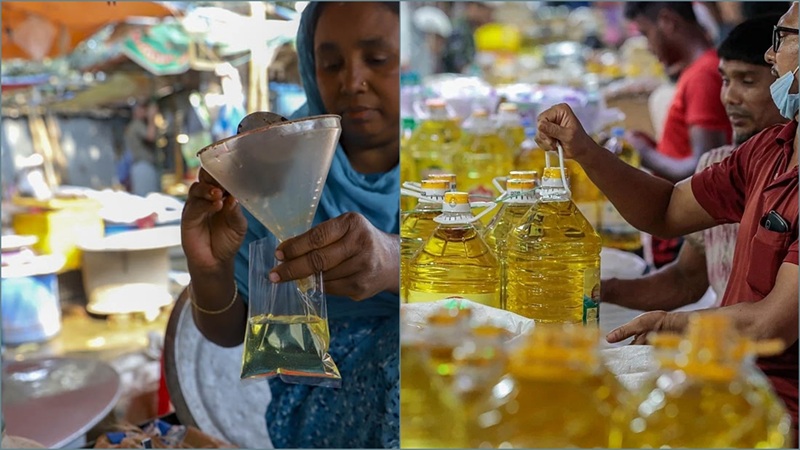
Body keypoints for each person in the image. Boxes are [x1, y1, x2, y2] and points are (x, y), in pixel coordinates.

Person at [535, 1, 798, 439]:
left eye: (783, 38)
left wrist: (671, 323)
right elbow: (666, 210)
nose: (772, 55)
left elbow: (769, 323)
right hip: (732, 379)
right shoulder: (770, 149)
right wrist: (585, 150)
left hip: (778, 411)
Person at [180, 3, 400, 448]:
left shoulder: (459, 159)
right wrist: (209, 269)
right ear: (308, 64)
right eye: (330, 63)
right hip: (316, 408)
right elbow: (231, 332)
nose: (351, 81)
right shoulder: (271, 167)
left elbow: (503, 283)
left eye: (377, 59)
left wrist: (401, 260)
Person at [602, 14, 787, 311]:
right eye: (726, 80)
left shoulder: (788, 176)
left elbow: (767, 323)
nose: (730, 97)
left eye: (748, 81)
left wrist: (675, 325)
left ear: (788, 82)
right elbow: (685, 280)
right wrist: (597, 290)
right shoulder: (720, 165)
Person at [624, 2, 734, 268]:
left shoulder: (703, 75)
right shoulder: (695, 71)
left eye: (645, 33)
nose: (648, 47)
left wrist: (643, 152)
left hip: (685, 230)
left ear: (668, 22)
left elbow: (703, 168)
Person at [124, 100, 161, 196]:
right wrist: (152, 118)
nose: (145, 111)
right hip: (143, 166)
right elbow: (151, 136)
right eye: (142, 108)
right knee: (149, 198)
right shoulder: (137, 125)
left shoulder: (135, 125)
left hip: (142, 166)